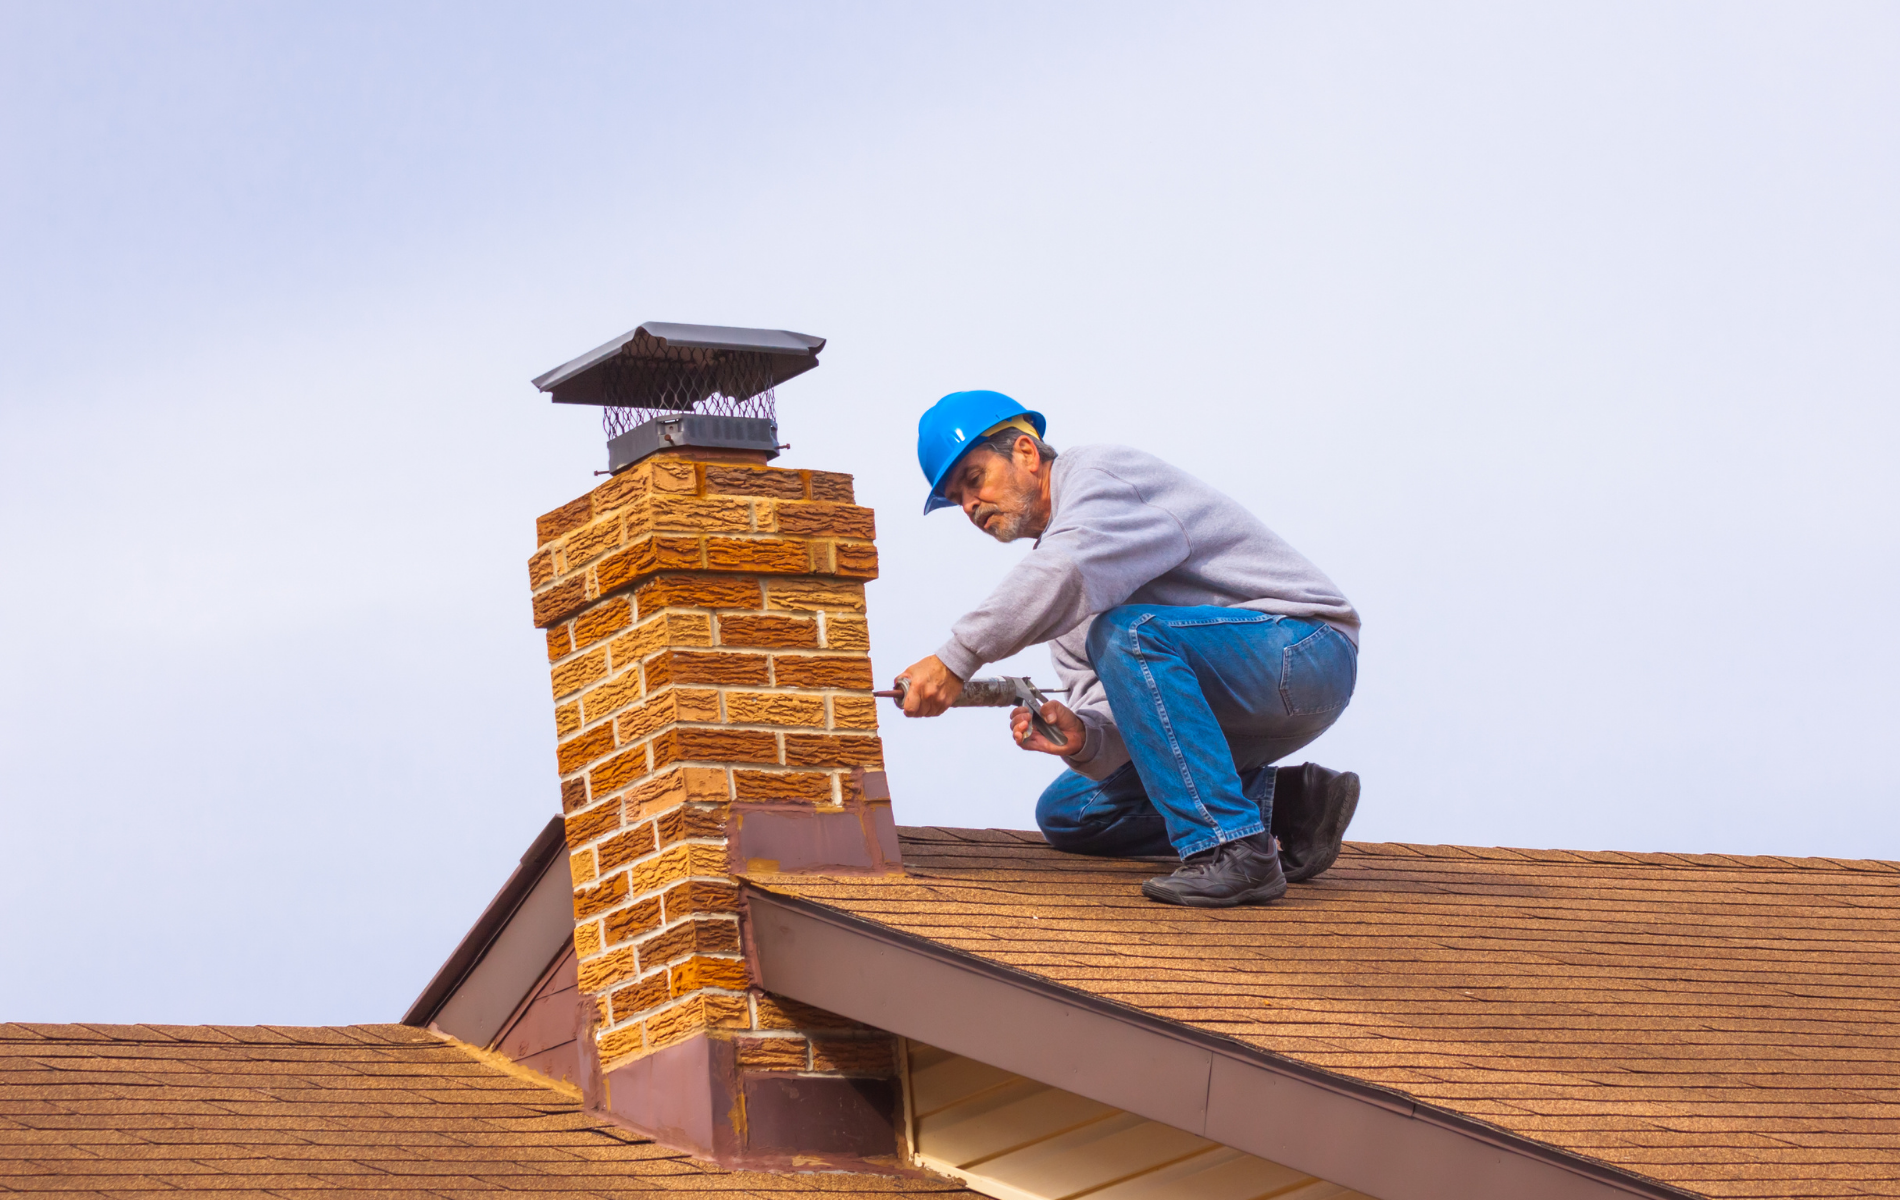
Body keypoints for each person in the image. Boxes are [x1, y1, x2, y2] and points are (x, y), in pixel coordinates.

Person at [895, 390, 1363, 907]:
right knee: (1073, 811)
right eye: (957, 499)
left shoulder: (1100, 476)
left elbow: (1068, 569)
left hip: (1305, 652)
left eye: (974, 480)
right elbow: (1128, 716)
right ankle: (1291, 807)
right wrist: (1085, 738)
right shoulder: (1065, 596)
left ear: (1026, 453)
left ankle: (1233, 849)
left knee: (1130, 634)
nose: (969, 505)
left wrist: (955, 658)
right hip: (1235, 708)